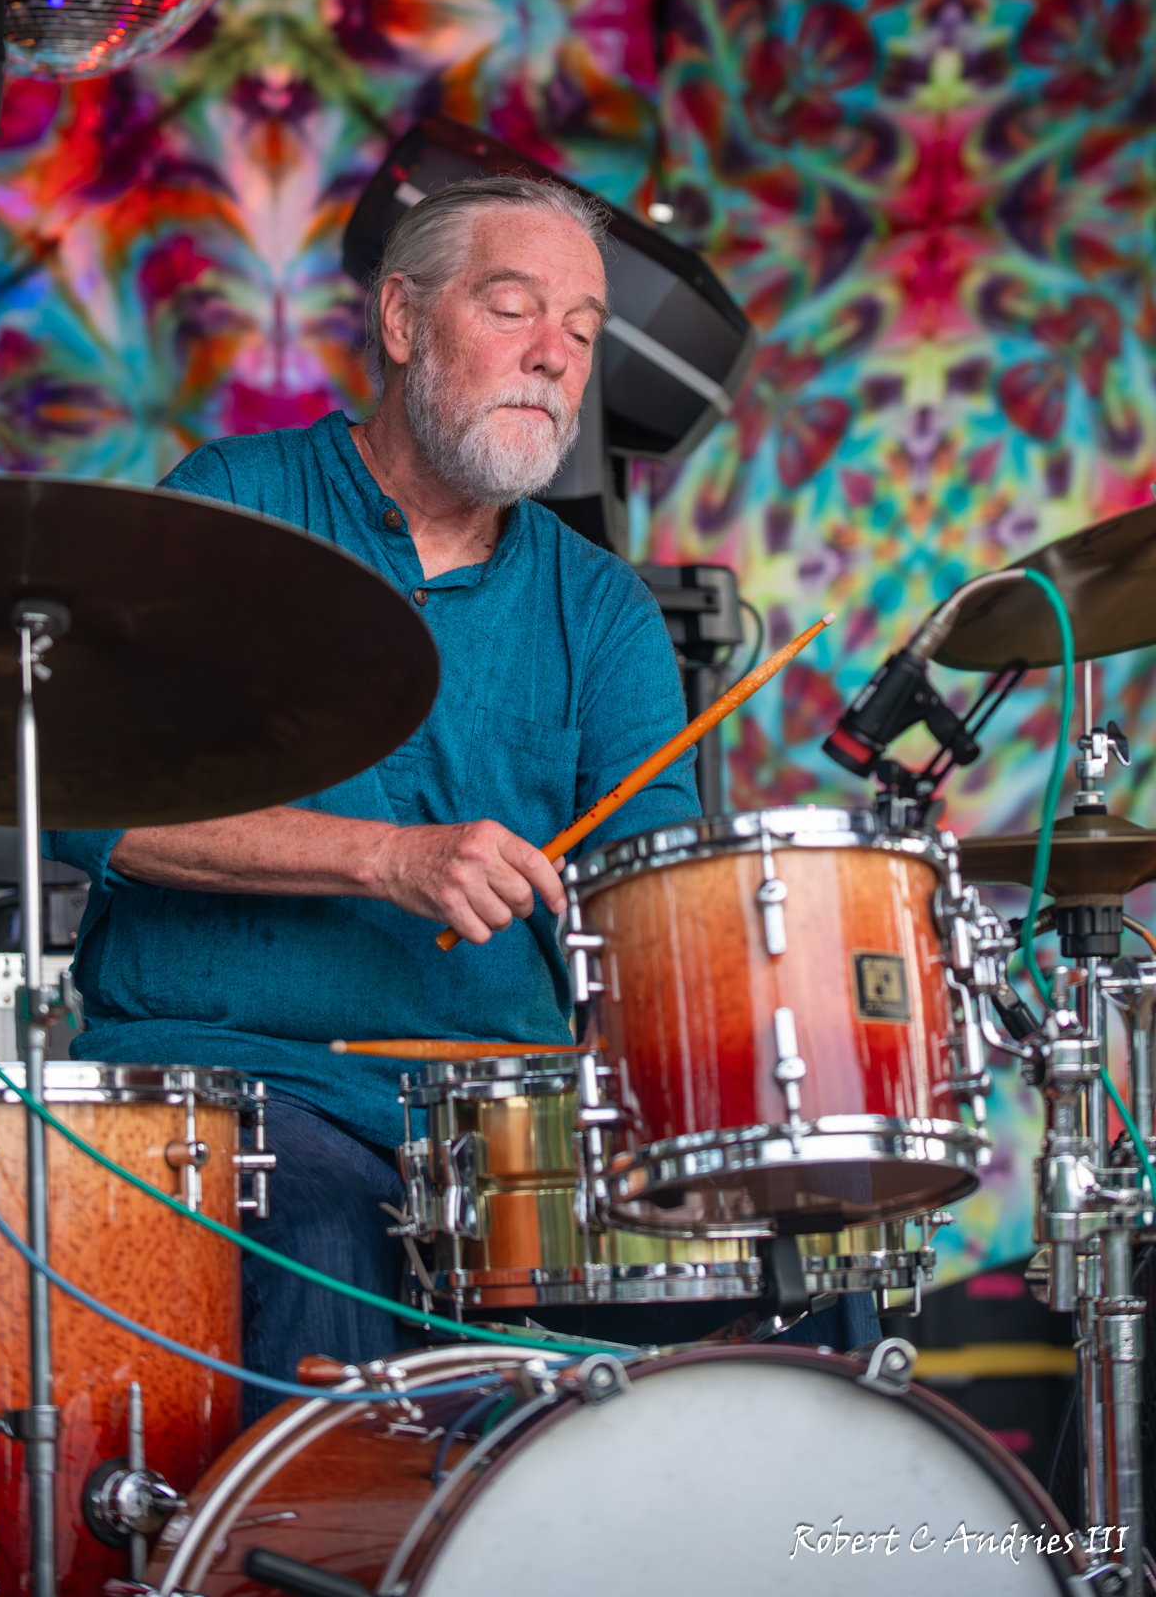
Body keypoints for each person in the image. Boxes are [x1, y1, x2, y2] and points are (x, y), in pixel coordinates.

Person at [47, 174, 876, 1403]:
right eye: (512, 308)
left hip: (500, 1129)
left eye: (582, 331)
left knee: (812, 1266)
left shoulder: (602, 611)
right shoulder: (236, 505)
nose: (554, 356)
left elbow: (638, 914)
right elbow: (86, 800)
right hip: (229, 1082)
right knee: (322, 1232)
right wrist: (384, 859)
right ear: (401, 320)